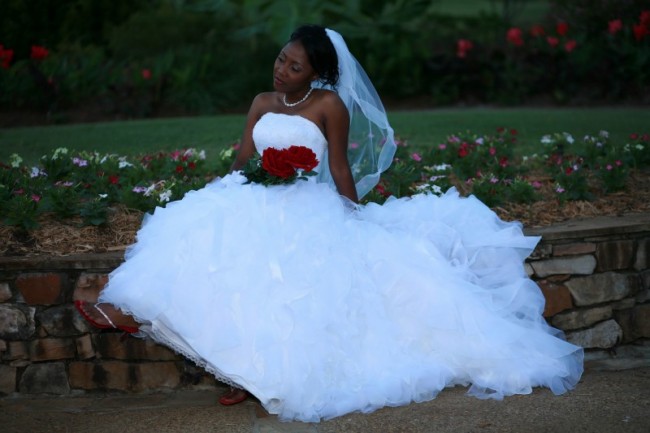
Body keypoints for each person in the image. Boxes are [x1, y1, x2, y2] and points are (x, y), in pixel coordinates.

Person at [75, 25, 583, 423]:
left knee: (286, 283)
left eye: (293, 67)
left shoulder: (328, 105)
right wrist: (221, 192)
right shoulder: (260, 103)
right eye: (280, 59)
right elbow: (242, 159)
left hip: (306, 206)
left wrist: (352, 214)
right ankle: (137, 314)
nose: (281, 71)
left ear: (315, 73)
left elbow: (339, 166)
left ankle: (249, 372)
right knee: (205, 241)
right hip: (256, 197)